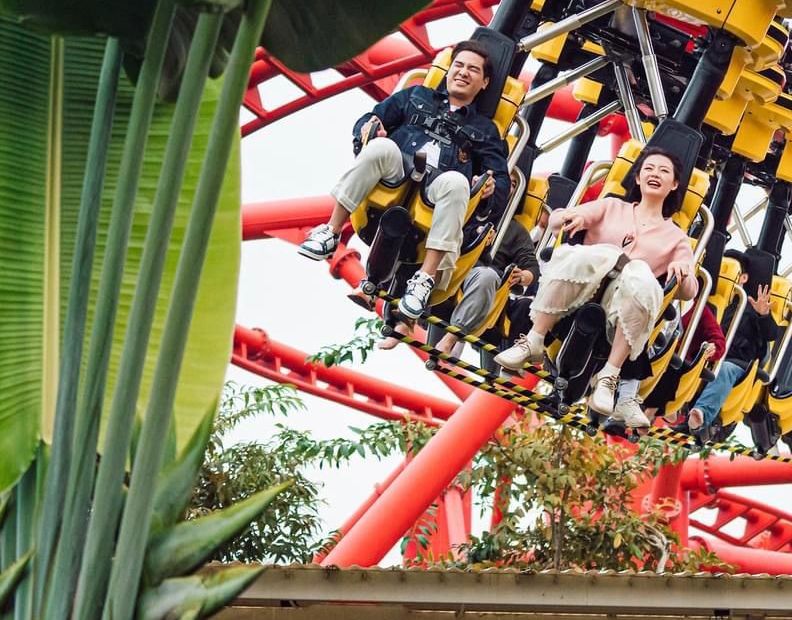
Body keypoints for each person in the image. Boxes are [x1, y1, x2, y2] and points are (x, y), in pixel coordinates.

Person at [298, 39, 509, 320]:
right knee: (381, 148)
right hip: (397, 174)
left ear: (484, 83)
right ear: (448, 70)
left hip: (439, 190)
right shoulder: (415, 96)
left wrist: (489, 191)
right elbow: (370, 119)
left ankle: (424, 279)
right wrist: (369, 129)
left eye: (472, 69)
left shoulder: (486, 130)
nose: (463, 72)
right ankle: (331, 231)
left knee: (459, 183)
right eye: (458, 65)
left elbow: (501, 182)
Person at [494, 148, 699, 426]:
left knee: (639, 272)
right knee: (589, 253)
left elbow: (690, 291)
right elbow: (555, 221)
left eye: (664, 171)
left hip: (621, 309)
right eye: (649, 169)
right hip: (580, 294)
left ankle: (610, 375)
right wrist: (569, 218)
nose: (655, 174)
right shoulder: (611, 207)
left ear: (674, 185)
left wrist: (684, 273)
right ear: (637, 178)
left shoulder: (676, 237)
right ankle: (534, 340)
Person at [418, 172, 540, 359]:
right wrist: (475, 233)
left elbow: (532, 268)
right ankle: (404, 316)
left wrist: (522, 276)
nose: (507, 186)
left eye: (513, 184)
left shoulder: (515, 230)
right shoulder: (463, 204)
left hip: (478, 276)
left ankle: (451, 339)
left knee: (488, 276)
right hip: (450, 264)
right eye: (504, 181)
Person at [687, 250, 778, 438]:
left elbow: (771, 334)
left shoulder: (749, 305)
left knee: (725, 369)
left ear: (742, 277)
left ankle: (701, 415)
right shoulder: (710, 298)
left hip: (737, 362)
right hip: (707, 355)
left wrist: (763, 315)